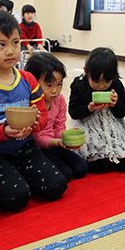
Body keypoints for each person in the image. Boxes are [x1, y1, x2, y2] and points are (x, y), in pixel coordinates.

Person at [0, 9, 68, 211]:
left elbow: (42, 115)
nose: (10, 51)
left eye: (15, 43)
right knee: (17, 198)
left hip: (24, 148)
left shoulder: (27, 79)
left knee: (57, 186)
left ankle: (16, 175)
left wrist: (36, 123)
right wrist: (3, 132)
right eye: (1, 45)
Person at [68, 47, 125, 173]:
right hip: (89, 126)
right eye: (96, 81)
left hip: (112, 128)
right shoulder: (79, 84)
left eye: (107, 81)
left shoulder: (116, 84)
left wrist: (115, 103)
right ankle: (100, 156)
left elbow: (122, 113)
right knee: (98, 166)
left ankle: (114, 154)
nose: (101, 86)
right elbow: (73, 112)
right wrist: (89, 108)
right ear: (86, 72)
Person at [24, 52, 88, 180]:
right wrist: (57, 142)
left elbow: (59, 127)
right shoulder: (30, 105)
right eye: (49, 85)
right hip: (37, 148)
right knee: (66, 173)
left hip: (54, 144)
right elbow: (36, 137)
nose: (55, 90)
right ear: (33, 83)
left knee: (81, 168)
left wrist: (66, 138)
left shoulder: (59, 100)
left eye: (59, 84)